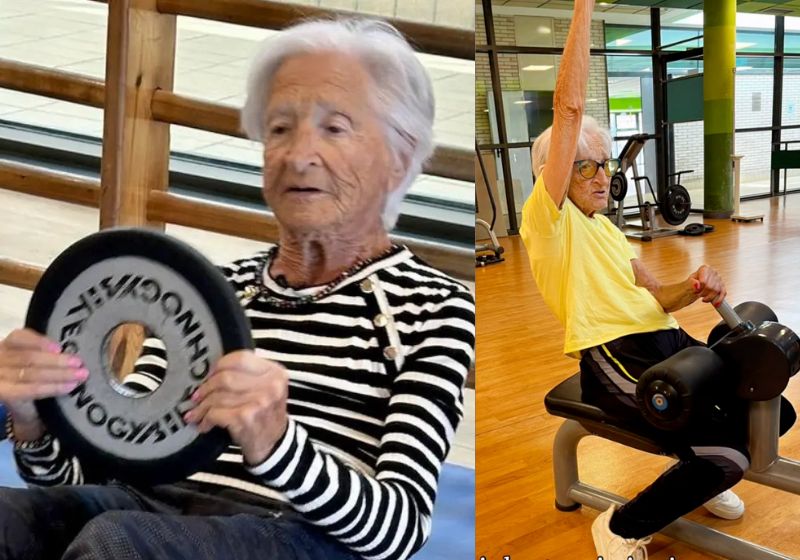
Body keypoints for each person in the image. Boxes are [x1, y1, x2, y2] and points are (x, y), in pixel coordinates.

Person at [0, 18, 475, 560]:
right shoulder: (215, 291)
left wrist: (277, 446)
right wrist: (35, 423)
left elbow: (399, 530)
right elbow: (89, 476)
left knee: (117, 543)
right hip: (147, 513)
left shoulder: (436, 310)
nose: (298, 155)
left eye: (334, 128)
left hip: (297, 535)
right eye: (279, 129)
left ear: (399, 155)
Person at [518, 1, 793, 558]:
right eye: (585, 165)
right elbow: (568, 109)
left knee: (774, 409)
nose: (602, 175)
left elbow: (654, 294)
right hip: (612, 354)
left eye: (605, 164)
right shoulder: (548, 221)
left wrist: (693, 286)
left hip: (664, 340)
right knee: (728, 455)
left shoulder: (606, 228)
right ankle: (620, 528)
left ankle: (702, 474)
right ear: (557, 173)